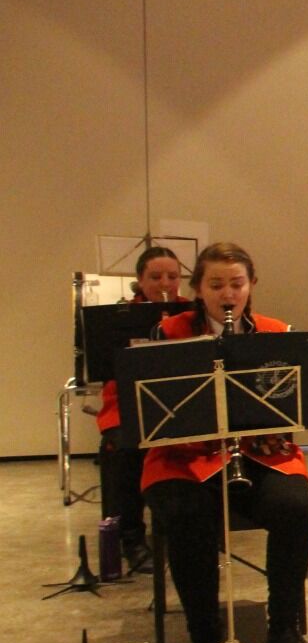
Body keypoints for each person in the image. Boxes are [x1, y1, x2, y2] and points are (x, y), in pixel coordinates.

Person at [141, 243, 308, 643]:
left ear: (251, 286)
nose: (227, 293)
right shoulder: (170, 332)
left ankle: (283, 629)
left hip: (256, 452)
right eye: (216, 284)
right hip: (185, 458)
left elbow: (291, 409)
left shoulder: (276, 332)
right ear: (198, 289)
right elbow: (155, 413)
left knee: (295, 507)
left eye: (236, 284)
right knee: (186, 514)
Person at [95, 245, 184, 573]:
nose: (165, 283)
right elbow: (108, 370)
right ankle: (131, 538)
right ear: (139, 280)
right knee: (125, 447)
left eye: (172, 276)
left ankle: (191, 531)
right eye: (155, 276)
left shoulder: (192, 313)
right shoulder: (118, 319)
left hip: (180, 403)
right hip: (127, 403)